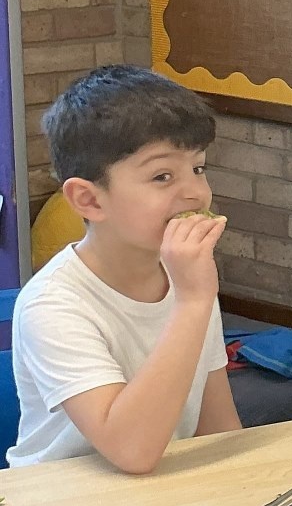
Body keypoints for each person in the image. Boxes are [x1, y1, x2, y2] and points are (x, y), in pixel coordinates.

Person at [7, 65, 241, 472]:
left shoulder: (185, 277)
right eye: (162, 176)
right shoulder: (52, 305)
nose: (195, 193)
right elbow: (131, 451)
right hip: (60, 502)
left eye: (198, 168)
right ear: (89, 200)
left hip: (160, 489)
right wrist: (192, 302)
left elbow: (218, 429)